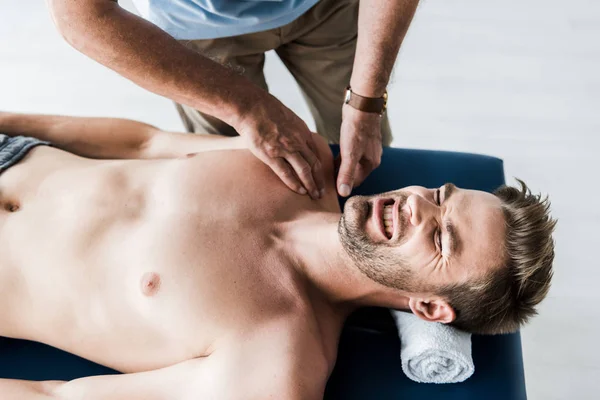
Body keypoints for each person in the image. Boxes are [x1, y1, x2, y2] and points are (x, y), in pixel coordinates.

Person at [0, 111, 555, 399]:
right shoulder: (300, 160)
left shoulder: (275, 366)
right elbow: (143, 143)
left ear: (430, 309)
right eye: (439, 197)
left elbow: (56, 395)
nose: (414, 207)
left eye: (439, 239)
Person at [46, 0, 420, 200]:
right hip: (193, 26)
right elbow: (80, 17)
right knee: (243, 176)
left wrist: (367, 102)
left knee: (364, 158)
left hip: (326, 8)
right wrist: (245, 108)